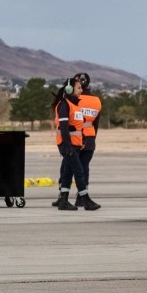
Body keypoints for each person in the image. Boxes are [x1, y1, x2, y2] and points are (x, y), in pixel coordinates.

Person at [51, 81, 100, 211]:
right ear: (69, 89)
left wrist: (82, 141)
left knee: (67, 172)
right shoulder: (64, 105)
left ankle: (63, 200)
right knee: (79, 171)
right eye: (78, 88)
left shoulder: (76, 106)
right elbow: (64, 128)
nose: (80, 90)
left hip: (76, 145)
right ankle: (86, 200)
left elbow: (78, 127)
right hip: (67, 146)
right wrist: (68, 147)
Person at [72, 74, 101, 186]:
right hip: (90, 138)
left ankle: (63, 196)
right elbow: (96, 123)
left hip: (74, 138)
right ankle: (83, 195)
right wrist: (92, 139)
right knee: (85, 167)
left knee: (68, 168)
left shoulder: (73, 99)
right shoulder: (96, 101)